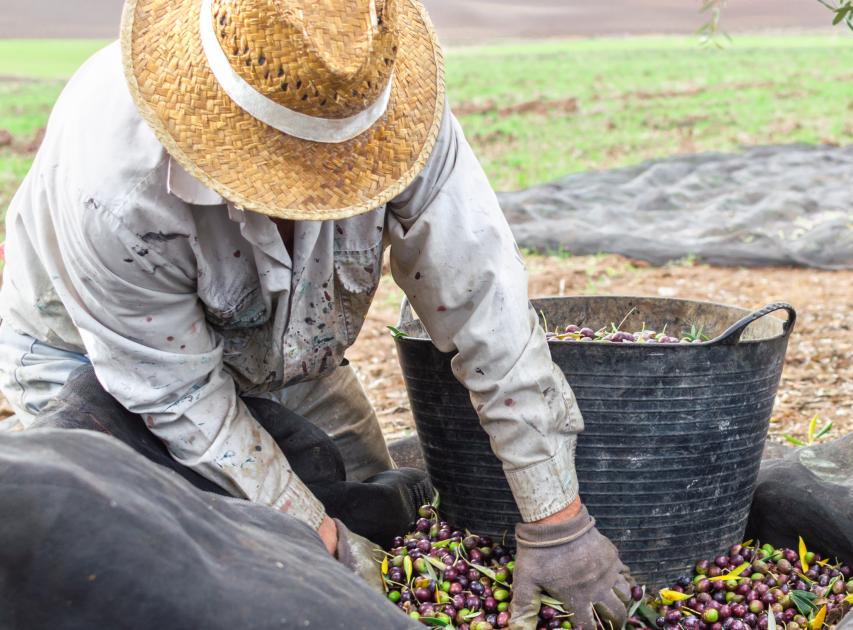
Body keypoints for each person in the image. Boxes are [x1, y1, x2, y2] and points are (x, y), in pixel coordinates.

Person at [0, 0, 633, 625]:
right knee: (184, 577)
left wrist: (558, 522)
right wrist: (315, 538)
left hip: (290, 350)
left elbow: (486, 307)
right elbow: (179, 397)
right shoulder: (117, 188)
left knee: (372, 507)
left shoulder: (397, 115)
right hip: (107, 371)